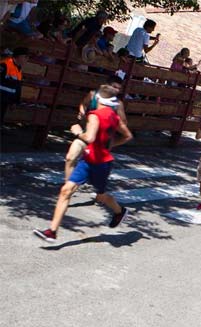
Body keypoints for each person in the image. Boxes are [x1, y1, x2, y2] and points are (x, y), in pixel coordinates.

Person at [33, 85, 133, 242]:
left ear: (98, 99)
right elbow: (127, 136)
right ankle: (52, 231)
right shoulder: (115, 117)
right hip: (90, 160)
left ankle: (120, 211)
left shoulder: (94, 115)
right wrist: (111, 144)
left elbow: (90, 137)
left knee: (101, 196)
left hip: (100, 163)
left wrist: (77, 131)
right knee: (66, 190)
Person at [65, 75, 127, 181]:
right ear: (107, 85)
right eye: (114, 87)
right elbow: (83, 104)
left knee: (95, 170)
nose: (117, 90)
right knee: (70, 157)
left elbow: (123, 123)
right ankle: (68, 185)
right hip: (86, 133)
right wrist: (82, 113)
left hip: (101, 141)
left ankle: (97, 189)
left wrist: (111, 134)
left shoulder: (118, 104)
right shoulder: (93, 95)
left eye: (119, 88)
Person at [0, 47, 28, 125]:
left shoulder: (18, 69)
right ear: (19, 56)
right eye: (25, 57)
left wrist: (15, 102)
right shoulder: (4, 64)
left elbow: (17, 87)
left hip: (5, 101)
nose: (27, 59)